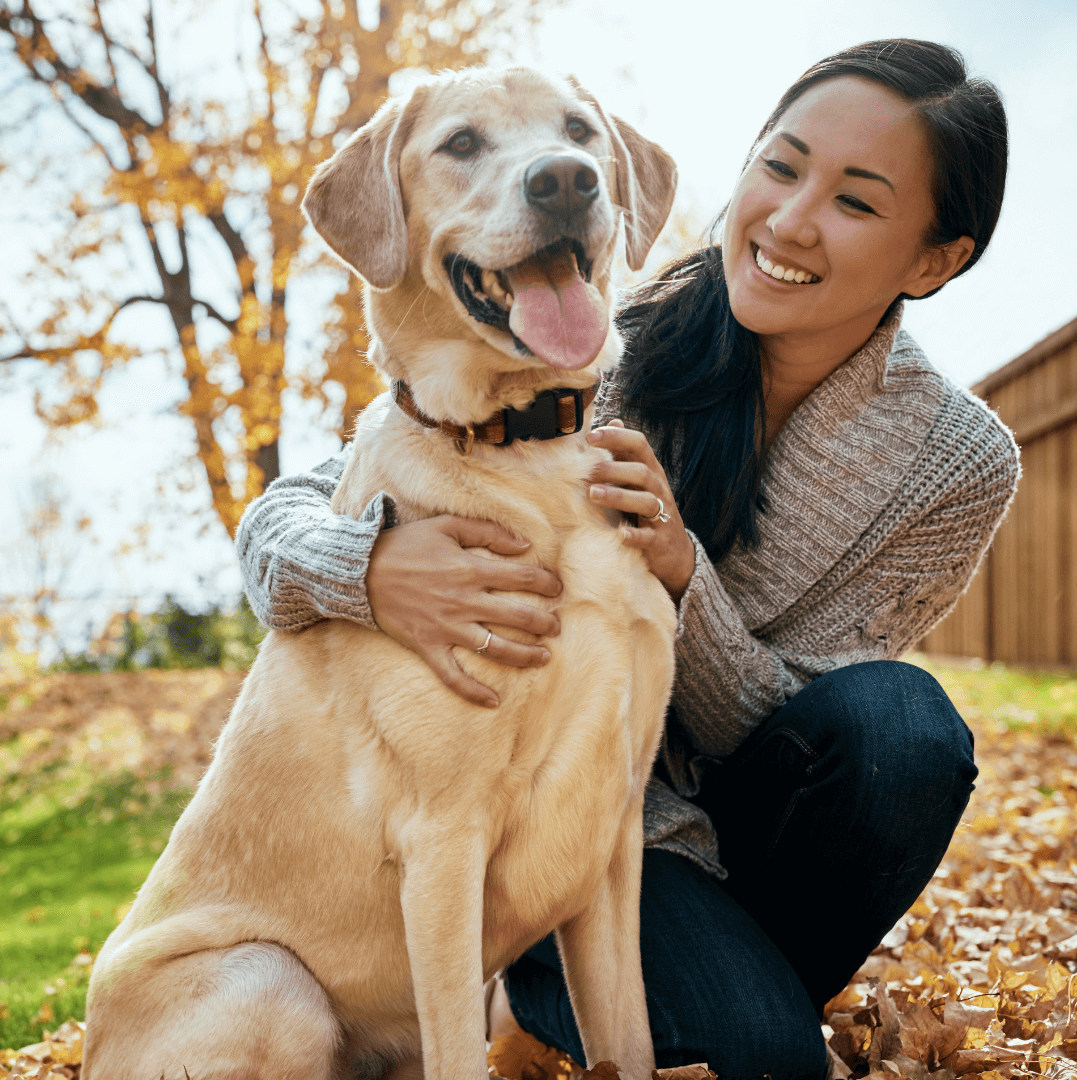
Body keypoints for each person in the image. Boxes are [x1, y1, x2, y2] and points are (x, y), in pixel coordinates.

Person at [234, 38, 1020, 1079]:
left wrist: (681, 580)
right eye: (779, 168)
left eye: (856, 202)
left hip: (762, 809)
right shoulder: (581, 337)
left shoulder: (953, 462)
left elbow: (798, 723)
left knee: (904, 726)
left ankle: (746, 987)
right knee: (763, 1058)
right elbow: (286, 510)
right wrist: (368, 566)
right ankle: (704, 1008)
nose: (788, 221)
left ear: (935, 259)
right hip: (582, 841)